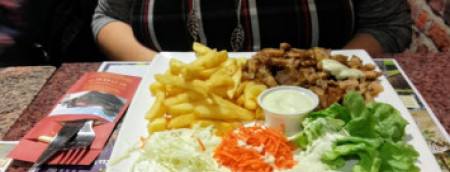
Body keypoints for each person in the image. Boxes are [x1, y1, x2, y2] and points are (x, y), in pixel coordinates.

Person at [92, 0, 412, 61]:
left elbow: (387, 25)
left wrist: (329, 71)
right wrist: (164, 71)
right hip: (179, 126)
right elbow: (107, 18)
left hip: (324, 119)